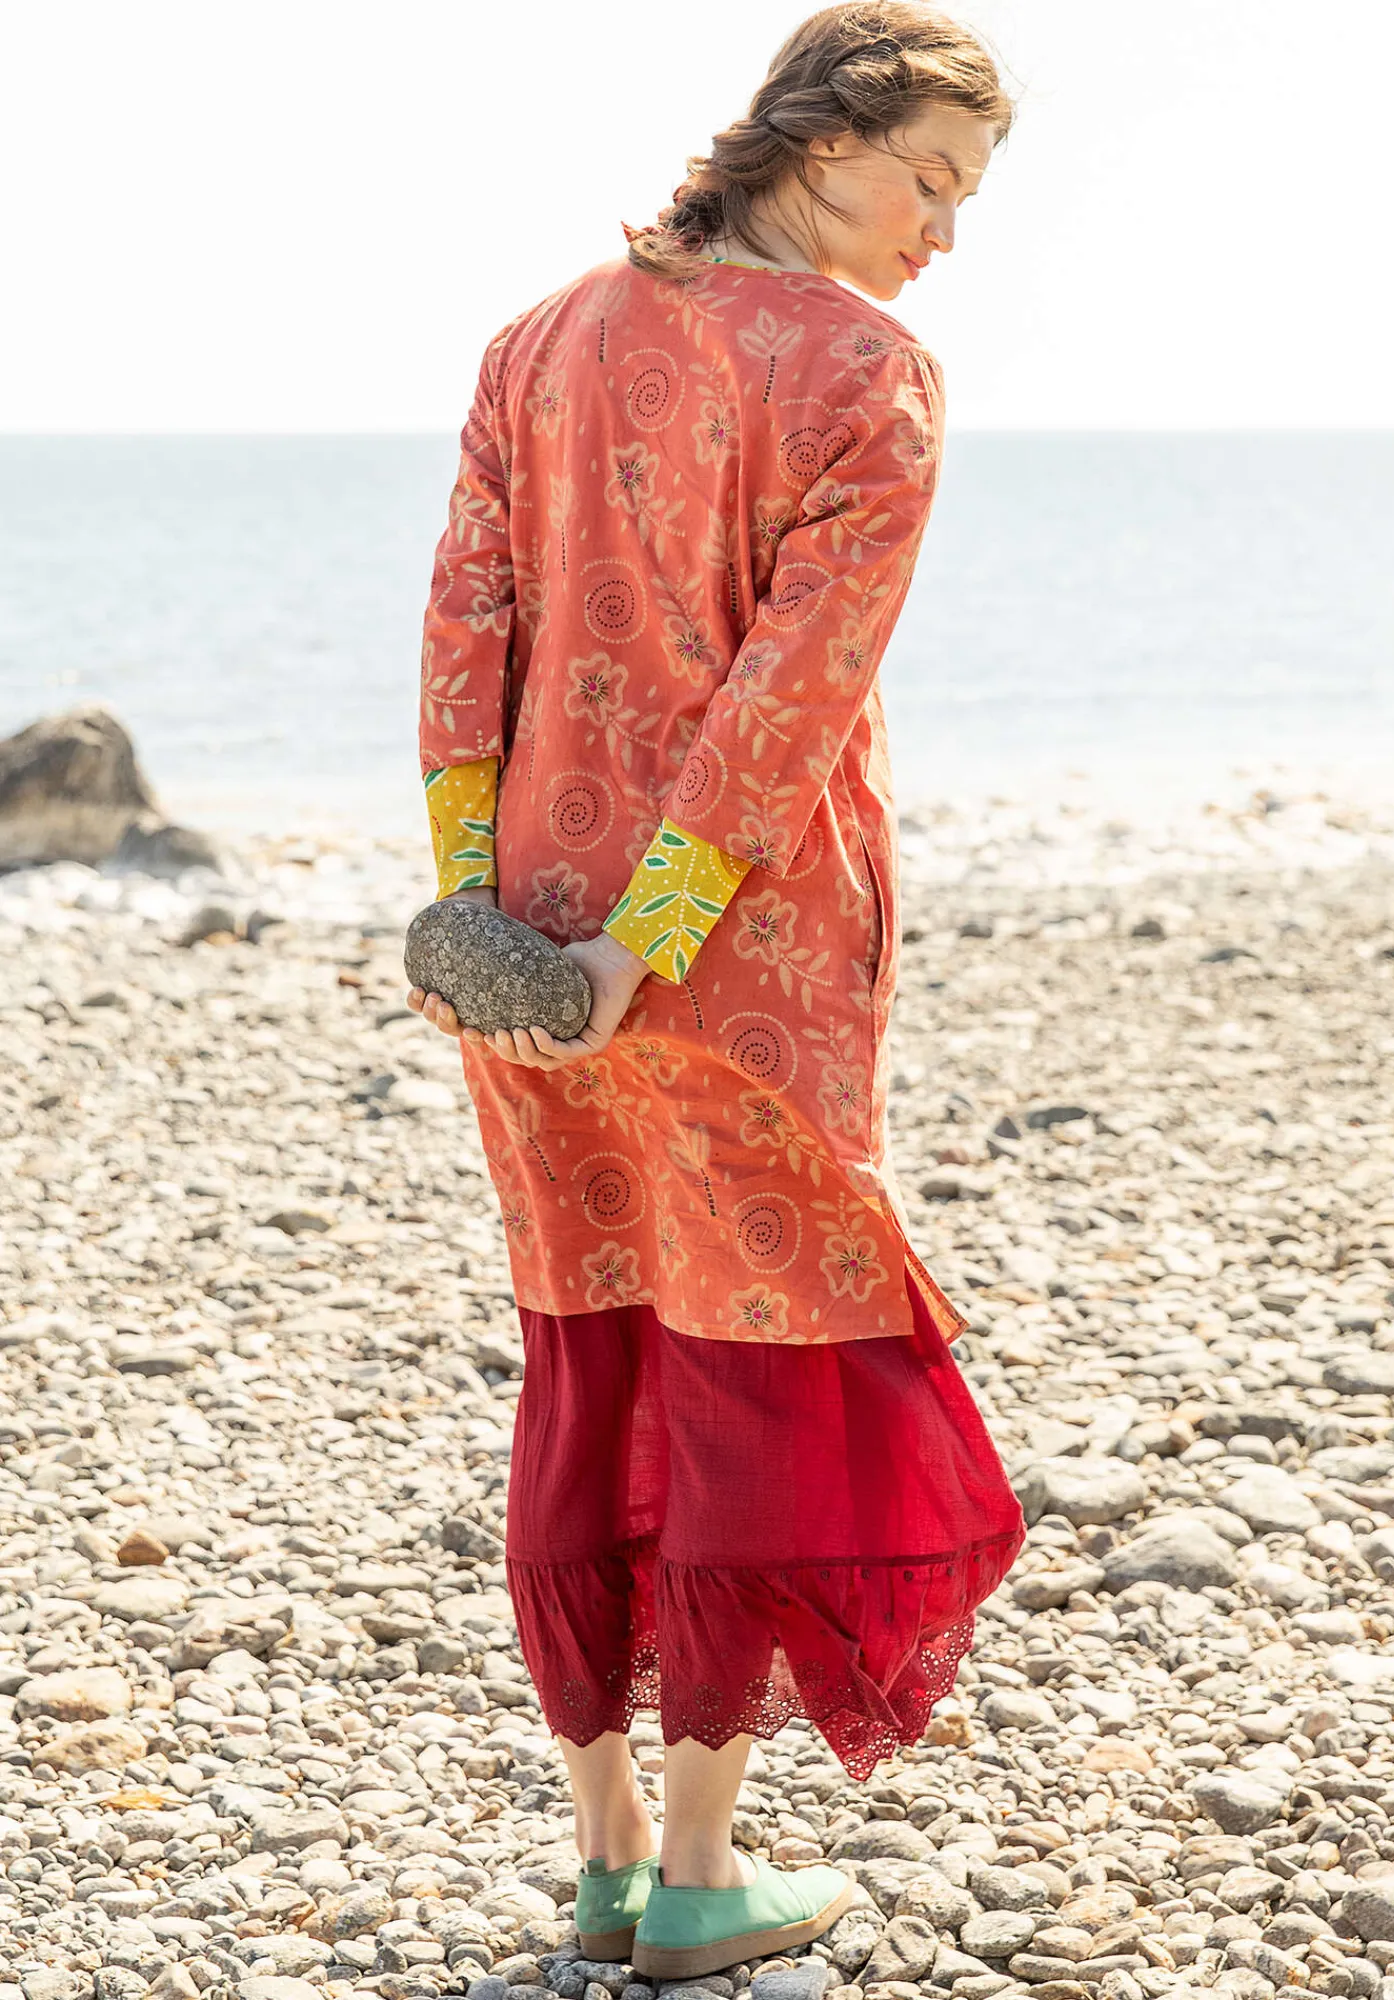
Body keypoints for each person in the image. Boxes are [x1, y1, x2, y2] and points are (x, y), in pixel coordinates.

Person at [406, 0, 1025, 1974]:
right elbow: (786, 703)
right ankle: (690, 1876)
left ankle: (594, 1867)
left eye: (966, 198)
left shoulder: (539, 339)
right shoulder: (870, 372)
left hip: (527, 943)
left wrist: (479, 923)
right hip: (721, 956)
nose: (943, 227)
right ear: (818, 138)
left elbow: (463, 628)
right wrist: (642, 945)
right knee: (752, 1363)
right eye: (931, 176)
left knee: (587, 1361)